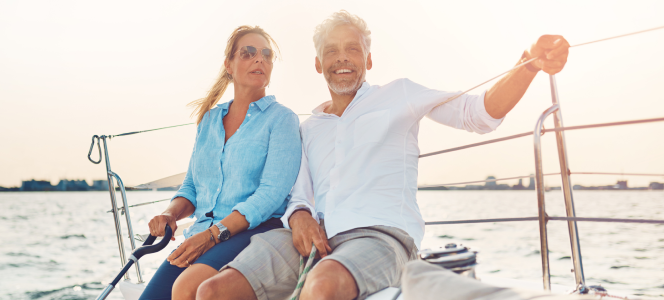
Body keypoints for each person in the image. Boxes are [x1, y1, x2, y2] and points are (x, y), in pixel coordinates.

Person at [196, 10, 569, 300]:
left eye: (353, 49)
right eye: (331, 51)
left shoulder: (399, 95)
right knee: (212, 291)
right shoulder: (308, 127)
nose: (343, 59)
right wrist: (299, 218)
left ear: (368, 60)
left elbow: (480, 113)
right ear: (318, 63)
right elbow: (298, 194)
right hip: (312, 239)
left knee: (322, 286)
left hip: (381, 237)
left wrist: (530, 64)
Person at [138, 25, 302, 300]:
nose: (259, 59)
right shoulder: (209, 121)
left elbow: (271, 195)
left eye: (266, 54)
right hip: (203, 232)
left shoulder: (282, 119)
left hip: (253, 230)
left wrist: (214, 235)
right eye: (248, 53)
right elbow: (192, 186)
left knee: (187, 288)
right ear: (229, 64)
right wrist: (170, 214)